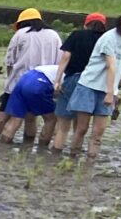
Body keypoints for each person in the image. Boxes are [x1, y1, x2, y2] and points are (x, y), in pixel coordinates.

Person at [56, 2, 121, 160]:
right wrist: (110, 92)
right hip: (89, 86)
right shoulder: (108, 38)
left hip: (107, 90)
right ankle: (72, 159)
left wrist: (114, 93)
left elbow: (118, 68)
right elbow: (110, 66)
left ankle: (90, 162)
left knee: (98, 133)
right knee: (82, 129)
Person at [0, 9, 61, 142]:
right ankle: (29, 150)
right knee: (32, 119)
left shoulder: (20, 34)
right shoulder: (54, 36)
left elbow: (10, 61)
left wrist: (9, 81)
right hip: (42, 83)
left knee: (3, 117)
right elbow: (59, 62)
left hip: (18, 82)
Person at [43, 13, 107, 150]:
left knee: (63, 126)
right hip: (93, 83)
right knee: (80, 126)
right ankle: (74, 154)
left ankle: (56, 154)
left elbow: (65, 57)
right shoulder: (105, 39)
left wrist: (57, 80)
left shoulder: (77, 35)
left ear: (85, 24)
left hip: (73, 79)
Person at [0, 61, 63, 146]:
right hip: (39, 83)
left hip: (24, 79)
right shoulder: (73, 77)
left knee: (15, 120)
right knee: (51, 119)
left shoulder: (58, 68)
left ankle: (1, 149)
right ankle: (42, 151)